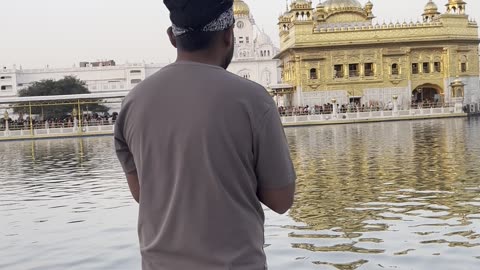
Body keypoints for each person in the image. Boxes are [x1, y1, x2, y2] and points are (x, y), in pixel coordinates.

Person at [114, 0, 296, 269]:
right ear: (228, 35)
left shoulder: (133, 102)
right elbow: (281, 200)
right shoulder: (253, 100)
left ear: (172, 37)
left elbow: (143, 193)